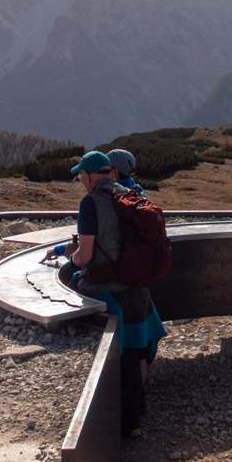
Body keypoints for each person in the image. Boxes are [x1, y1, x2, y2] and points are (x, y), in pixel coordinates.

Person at [68, 150, 166, 435]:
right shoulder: (129, 194)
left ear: (87, 176)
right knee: (135, 354)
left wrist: (71, 261)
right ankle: (137, 413)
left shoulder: (90, 203)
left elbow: (85, 255)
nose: (80, 181)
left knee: (117, 358)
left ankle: (121, 426)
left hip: (108, 290)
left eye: (80, 176)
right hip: (136, 290)